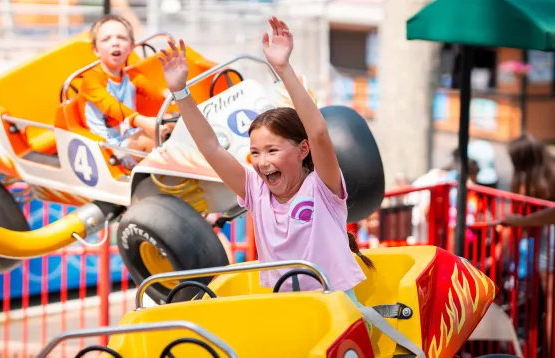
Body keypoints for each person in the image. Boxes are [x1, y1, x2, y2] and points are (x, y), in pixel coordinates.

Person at [156, 17, 373, 308]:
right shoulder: (256, 191)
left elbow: (319, 132)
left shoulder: (322, 188)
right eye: (255, 152)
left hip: (337, 307)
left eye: (272, 150)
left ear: (302, 149)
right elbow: (210, 148)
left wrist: (283, 68)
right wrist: (181, 93)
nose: (261, 161)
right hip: (284, 309)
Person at [80, 14, 174, 169]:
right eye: (106, 39)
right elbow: (112, 107)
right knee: (149, 137)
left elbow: (157, 92)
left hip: (132, 136)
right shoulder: (91, 80)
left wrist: (174, 96)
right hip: (109, 148)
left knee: (172, 120)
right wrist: (145, 123)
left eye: (122, 38)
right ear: (96, 50)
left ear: (131, 47)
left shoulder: (132, 77)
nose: (115, 43)